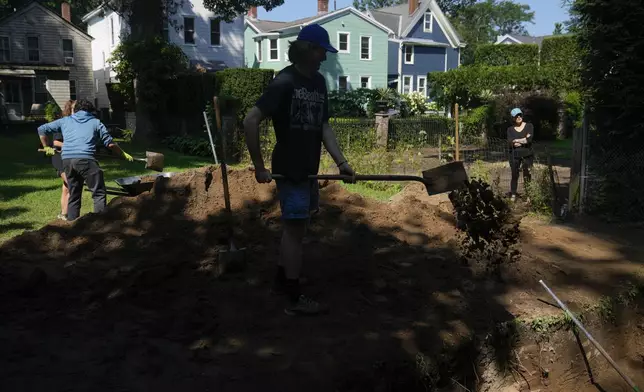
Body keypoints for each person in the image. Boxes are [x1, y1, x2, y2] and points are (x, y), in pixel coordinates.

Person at [243, 24, 355, 316]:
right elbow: (251, 120)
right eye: (321, 51)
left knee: (298, 229)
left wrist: (341, 163)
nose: (325, 57)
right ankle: (293, 298)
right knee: (294, 231)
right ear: (307, 49)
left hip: (309, 170)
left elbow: (324, 127)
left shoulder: (318, 82)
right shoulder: (285, 81)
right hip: (290, 169)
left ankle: (282, 282)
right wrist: (258, 166)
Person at [37, 99, 134, 221]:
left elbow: (41, 129)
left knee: (74, 194)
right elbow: (110, 144)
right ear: (91, 111)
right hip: (85, 160)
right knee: (98, 192)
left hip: (67, 160)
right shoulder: (96, 122)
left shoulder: (65, 121)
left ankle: (72, 225)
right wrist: (123, 154)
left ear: (75, 110)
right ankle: (100, 224)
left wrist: (46, 146)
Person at [49, 100, 75, 220]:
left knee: (66, 187)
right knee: (72, 185)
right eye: (75, 109)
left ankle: (63, 214)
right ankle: (71, 215)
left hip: (69, 158)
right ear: (70, 110)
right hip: (60, 158)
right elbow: (56, 142)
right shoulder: (63, 123)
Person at [507, 107, 534, 201]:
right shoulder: (510, 129)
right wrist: (523, 139)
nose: (519, 117)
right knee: (514, 174)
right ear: (513, 118)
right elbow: (510, 142)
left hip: (527, 154)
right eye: (516, 116)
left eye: (520, 115)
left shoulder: (529, 126)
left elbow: (529, 140)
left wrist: (517, 141)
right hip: (514, 155)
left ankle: (529, 195)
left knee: (527, 174)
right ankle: (513, 194)